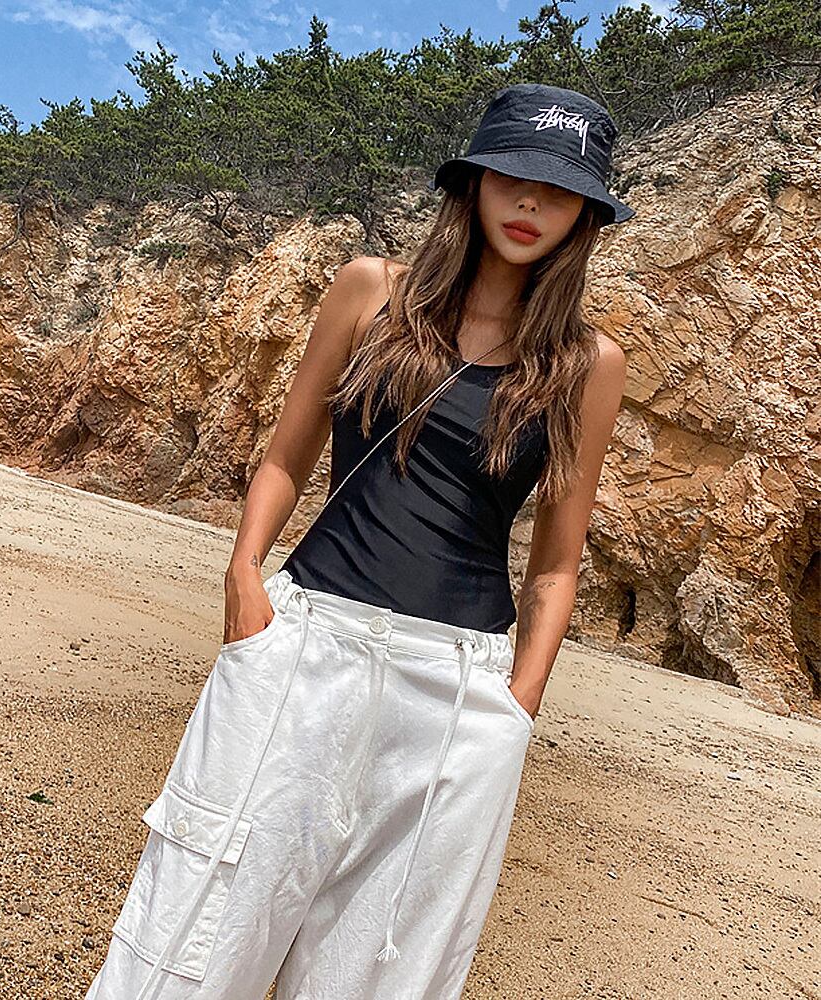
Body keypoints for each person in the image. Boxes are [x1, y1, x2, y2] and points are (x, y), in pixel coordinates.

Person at [85, 82, 633, 1000]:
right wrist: (244, 576)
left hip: (457, 691)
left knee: (387, 961)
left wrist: (518, 704)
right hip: (306, 646)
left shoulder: (587, 365)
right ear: (474, 182)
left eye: (560, 190)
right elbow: (285, 454)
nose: (532, 203)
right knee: (203, 913)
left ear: (585, 214)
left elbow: (556, 563)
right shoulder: (373, 292)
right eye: (513, 177)